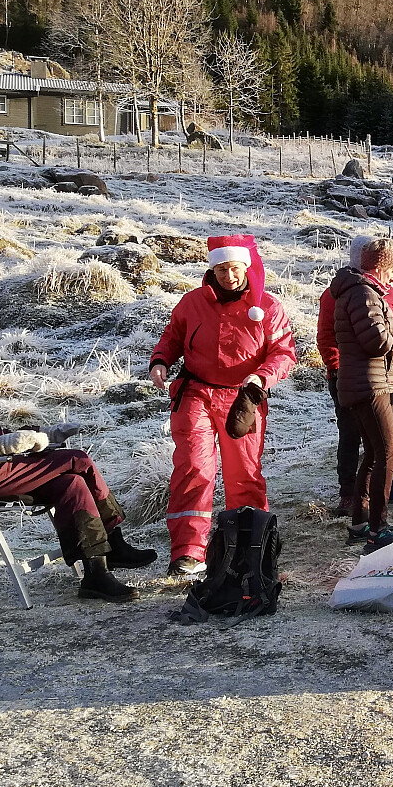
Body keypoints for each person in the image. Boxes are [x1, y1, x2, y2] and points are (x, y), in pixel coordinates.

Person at [0, 320, 155, 602]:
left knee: (71, 484)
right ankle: (114, 542)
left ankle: (95, 573)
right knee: (78, 459)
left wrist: (41, 436)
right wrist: (0, 445)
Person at [149, 235, 296, 577]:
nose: (228, 276)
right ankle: (188, 551)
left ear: (246, 267)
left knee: (244, 473)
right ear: (211, 270)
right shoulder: (192, 302)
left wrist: (261, 377)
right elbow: (172, 336)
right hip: (195, 393)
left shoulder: (268, 307)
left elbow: (284, 354)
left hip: (243, 399)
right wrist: (160, 361)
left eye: (234, 269)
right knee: (193, 469)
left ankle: (249, 547)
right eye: (221, 270)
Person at [331, 236, 393, 551]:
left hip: (366, 383)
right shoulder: (364, 293)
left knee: (373, 453)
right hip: (372, 385)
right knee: (388, 454)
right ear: (380, 268)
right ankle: (378, 530)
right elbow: (377, 341)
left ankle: (360, 523)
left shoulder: (359, 291)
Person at [317, 235, 371, 519]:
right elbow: (326, 335)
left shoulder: (386, 291)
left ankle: (377, 489)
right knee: (350, 434)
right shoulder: (333, 295)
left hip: (379, 375)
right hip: (345, 375)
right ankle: (348, 492)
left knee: (382, 437)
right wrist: (336, 366)